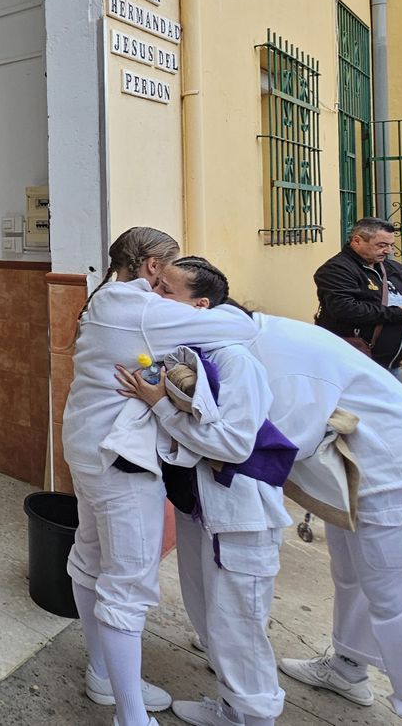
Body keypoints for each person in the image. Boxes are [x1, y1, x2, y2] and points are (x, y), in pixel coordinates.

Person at [64, 227, 260, 726]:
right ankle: (131, 718)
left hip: (88, 448)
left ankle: (104, 675)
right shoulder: (144, 309)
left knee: (89, 558)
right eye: (167, 276)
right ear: (153, 266)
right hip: (119, 459)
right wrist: (202, 312)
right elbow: (244, 329)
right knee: (127, 583)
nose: (165, 288)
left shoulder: (106, 299)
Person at [241, 307, 402, 725]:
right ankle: (348, 668)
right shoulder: (260, 335)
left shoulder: (278, 354)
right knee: (353, 574)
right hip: (357, 472)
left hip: (396, 472)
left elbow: (286, 443)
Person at [115, 256, 292, 726]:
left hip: (239, 510)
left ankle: (251, 715)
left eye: (166, 290)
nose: (155, 297)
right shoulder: (189, 349)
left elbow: (233, 443)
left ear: (202, 305)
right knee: (207, 606)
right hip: (202, 506)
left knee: (239, 622)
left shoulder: (236, 360)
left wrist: (160, 407)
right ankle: (232, 701)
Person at [314, 217, 402, 371]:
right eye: (382, 245)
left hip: (391, 364)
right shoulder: (336, 269)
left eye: (391, 245)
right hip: (354, 361)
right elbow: (344, 308)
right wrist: (398, 314)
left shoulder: (394, 268)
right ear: (357, 241)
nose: (388, 251)